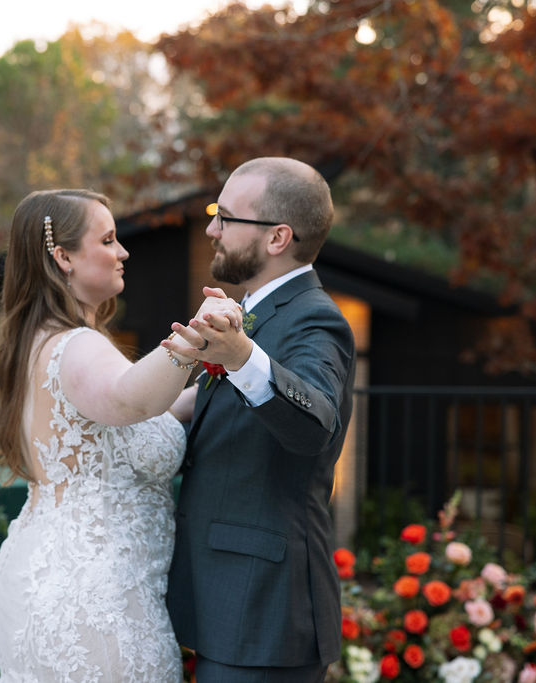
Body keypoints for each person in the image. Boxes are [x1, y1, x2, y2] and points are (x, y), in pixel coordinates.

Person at [0, 188, 240, 682]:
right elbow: (133, 400)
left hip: (44, 578)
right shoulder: (77, 345)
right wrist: (193, 340)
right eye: (108, 239)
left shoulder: (36, 343)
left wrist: (230, 372)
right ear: (63, 258)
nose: (123, 252)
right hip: (93, 603)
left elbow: (146, 412)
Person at [163, 157, 356, 682]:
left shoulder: (315, 319)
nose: (210, 229)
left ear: (277, 238)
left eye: (225, 217)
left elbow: (316, 426)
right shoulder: (249, 315)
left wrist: (243, 357)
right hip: (225, 599)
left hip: (265, 609)